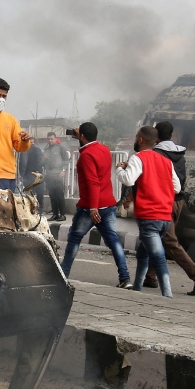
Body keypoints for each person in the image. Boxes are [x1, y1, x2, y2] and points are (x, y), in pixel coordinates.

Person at [143, 121, 195, 296]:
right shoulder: (179, 153)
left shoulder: (157, 154)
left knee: (169, 241)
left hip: (165, 201)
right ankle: (150, 277)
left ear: (156, 136)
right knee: (158, 238)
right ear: (172, 135)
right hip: (179, 201)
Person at [60, 122, 130, 285]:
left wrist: (93, 207)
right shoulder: (104, 149)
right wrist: (82, 138)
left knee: (75, 238)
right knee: (113, 241)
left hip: (90, 207)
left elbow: (93, 182)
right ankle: (125, 278)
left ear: (82, 136)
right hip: (109, 204)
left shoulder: (86, 156)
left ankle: (63, 273)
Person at [116, 125, 181, 298]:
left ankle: (167, 294)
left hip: (149, 217)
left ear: (140, 139)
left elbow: (128, 180)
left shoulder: (138, 158)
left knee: (158, 257)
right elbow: (177, 187)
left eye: (136, 136)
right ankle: (137, 287)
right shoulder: (166, 161)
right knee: (143, 252)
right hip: (165, 218)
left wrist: (119, 169)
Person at [42, 132, 69, 221]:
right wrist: (43, 159)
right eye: (48, 139)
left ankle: (63, 214)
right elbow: (42, 164)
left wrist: (63, 170)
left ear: (55, 139)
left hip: (58, 174)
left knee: (59, 195)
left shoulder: (60, 148)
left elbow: (66, 160)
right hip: (49, 175)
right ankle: (55, 214)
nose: (50, 141)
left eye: (52, 139)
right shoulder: (46, 149)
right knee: (52, 195)